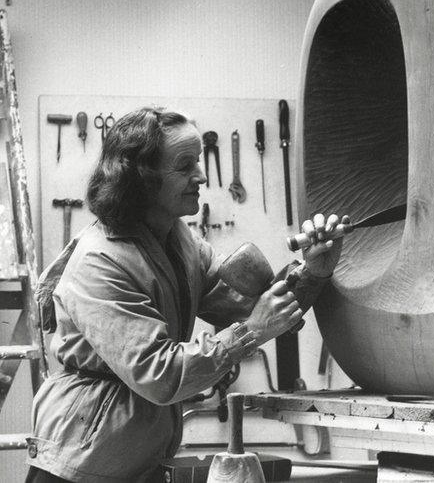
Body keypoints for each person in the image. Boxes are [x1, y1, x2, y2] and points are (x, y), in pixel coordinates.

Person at [25, 108, 346, 482]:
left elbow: (253, 310)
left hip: (138, 463)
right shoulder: (100, 261)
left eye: (198, 161)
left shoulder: (180, 241)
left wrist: (314, 270)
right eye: (184, 165)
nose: (202, 175)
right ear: (141, 178)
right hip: (79, 466)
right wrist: (253, 333)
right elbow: (159, 375)